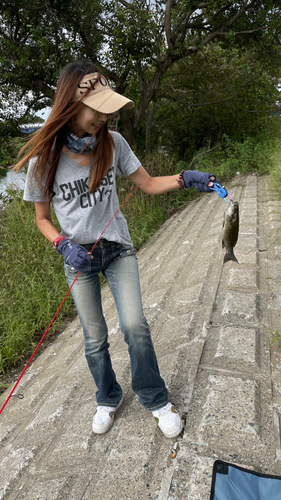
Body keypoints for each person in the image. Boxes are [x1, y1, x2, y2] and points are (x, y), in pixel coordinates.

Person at [14, 61, 217, 438]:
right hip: (79, 260)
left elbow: (150, 184)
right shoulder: (44, 160)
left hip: (117, 250)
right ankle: (107, 396)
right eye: (98, 109)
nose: (105, 117)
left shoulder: (114, 143)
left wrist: (186, 179)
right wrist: (62, 245)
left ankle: (155, 398)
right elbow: (42, 219)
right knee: (94, 339)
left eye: (109, 109)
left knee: (135, 325)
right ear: (71, 105)